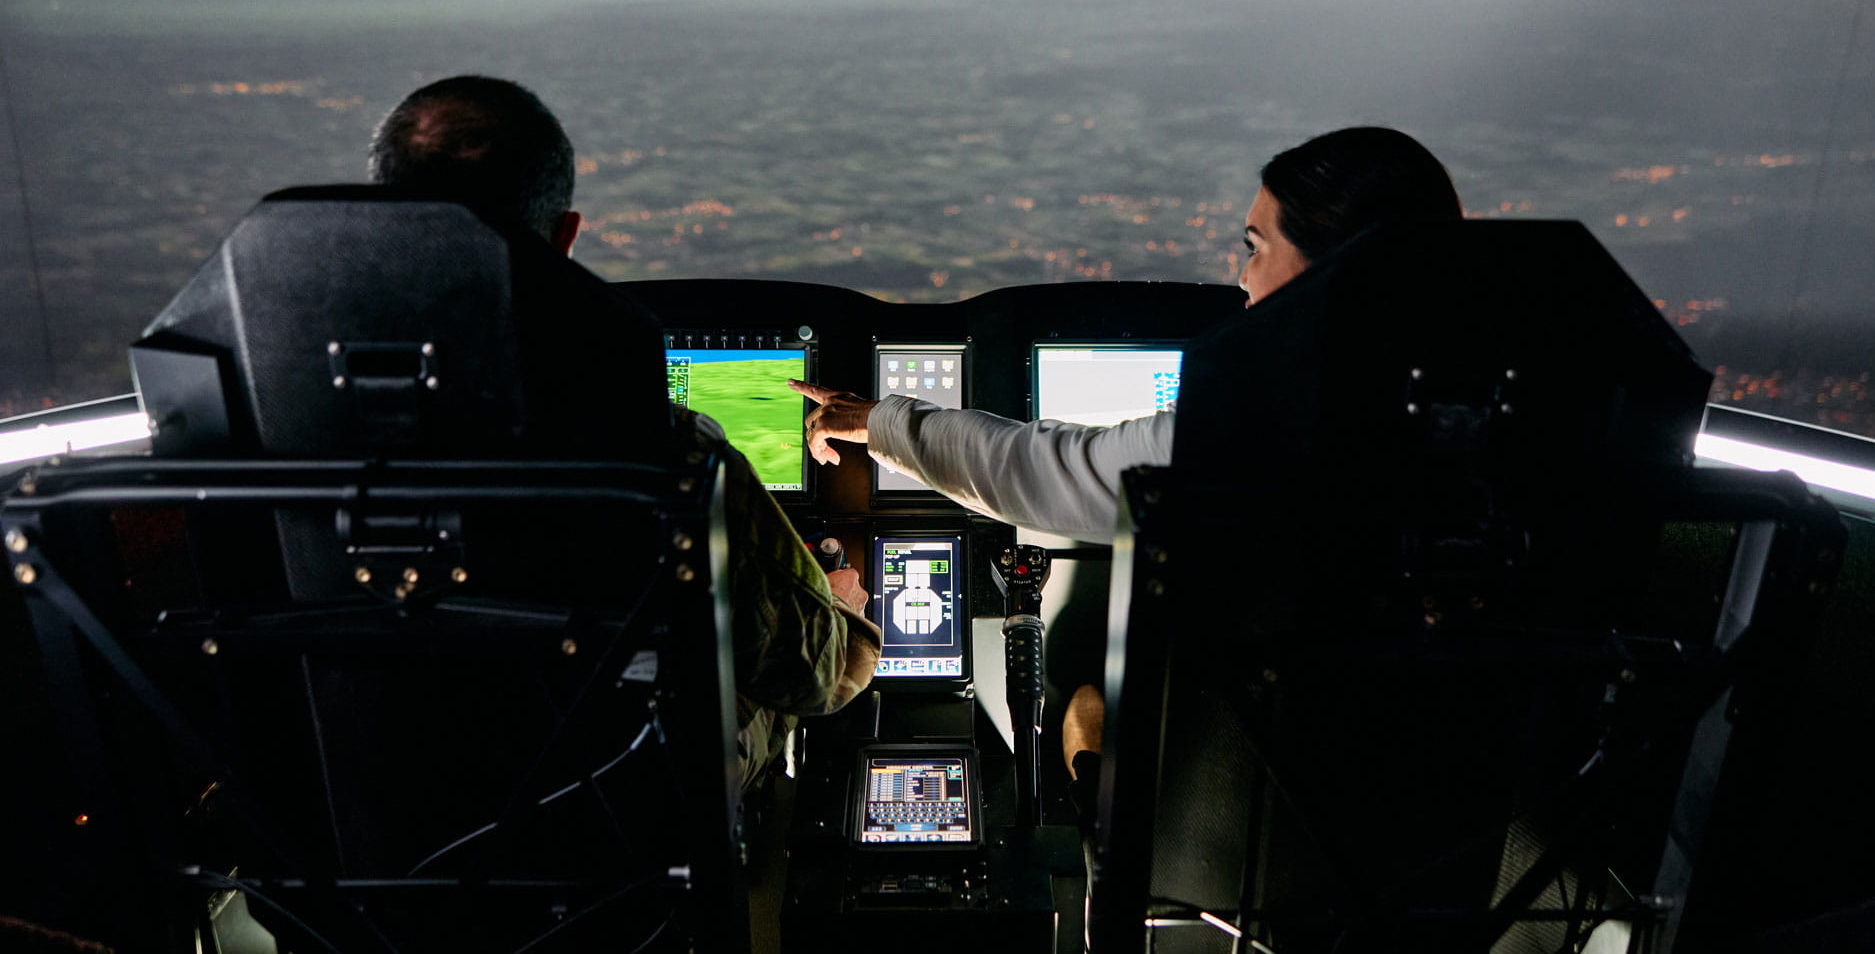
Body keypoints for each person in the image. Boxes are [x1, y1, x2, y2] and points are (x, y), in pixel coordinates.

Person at [789, 126, 1462, 780]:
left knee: (1084, 700)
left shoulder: (1236, 438)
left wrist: (882, 421)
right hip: (1464, 830)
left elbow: (1035, 470)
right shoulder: (1526, 442)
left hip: (1240, 830)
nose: (1244, 279)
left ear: (1333, 270)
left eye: (1256, 248)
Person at [371, 75, 880, 788]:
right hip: (605, 832)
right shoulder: (647, 441)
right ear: (565, 237)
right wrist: (844, 611)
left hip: (360, 828)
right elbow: (812, 674)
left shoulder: (266, 427)